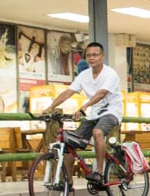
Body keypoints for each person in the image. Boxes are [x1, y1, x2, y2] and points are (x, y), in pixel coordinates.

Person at [44, 41, 122, 186]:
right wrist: (51, 106)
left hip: (111, 111)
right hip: (93, 114)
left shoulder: (110, 74)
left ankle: (99, 172)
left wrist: (84, 106)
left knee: (98, 132)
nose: (92, 58)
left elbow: (101, 93)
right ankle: (68, 181)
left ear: (102, 56)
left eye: (95, 55)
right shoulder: (84, 75)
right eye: (89, 55)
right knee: (70, 144)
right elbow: (69, 92)